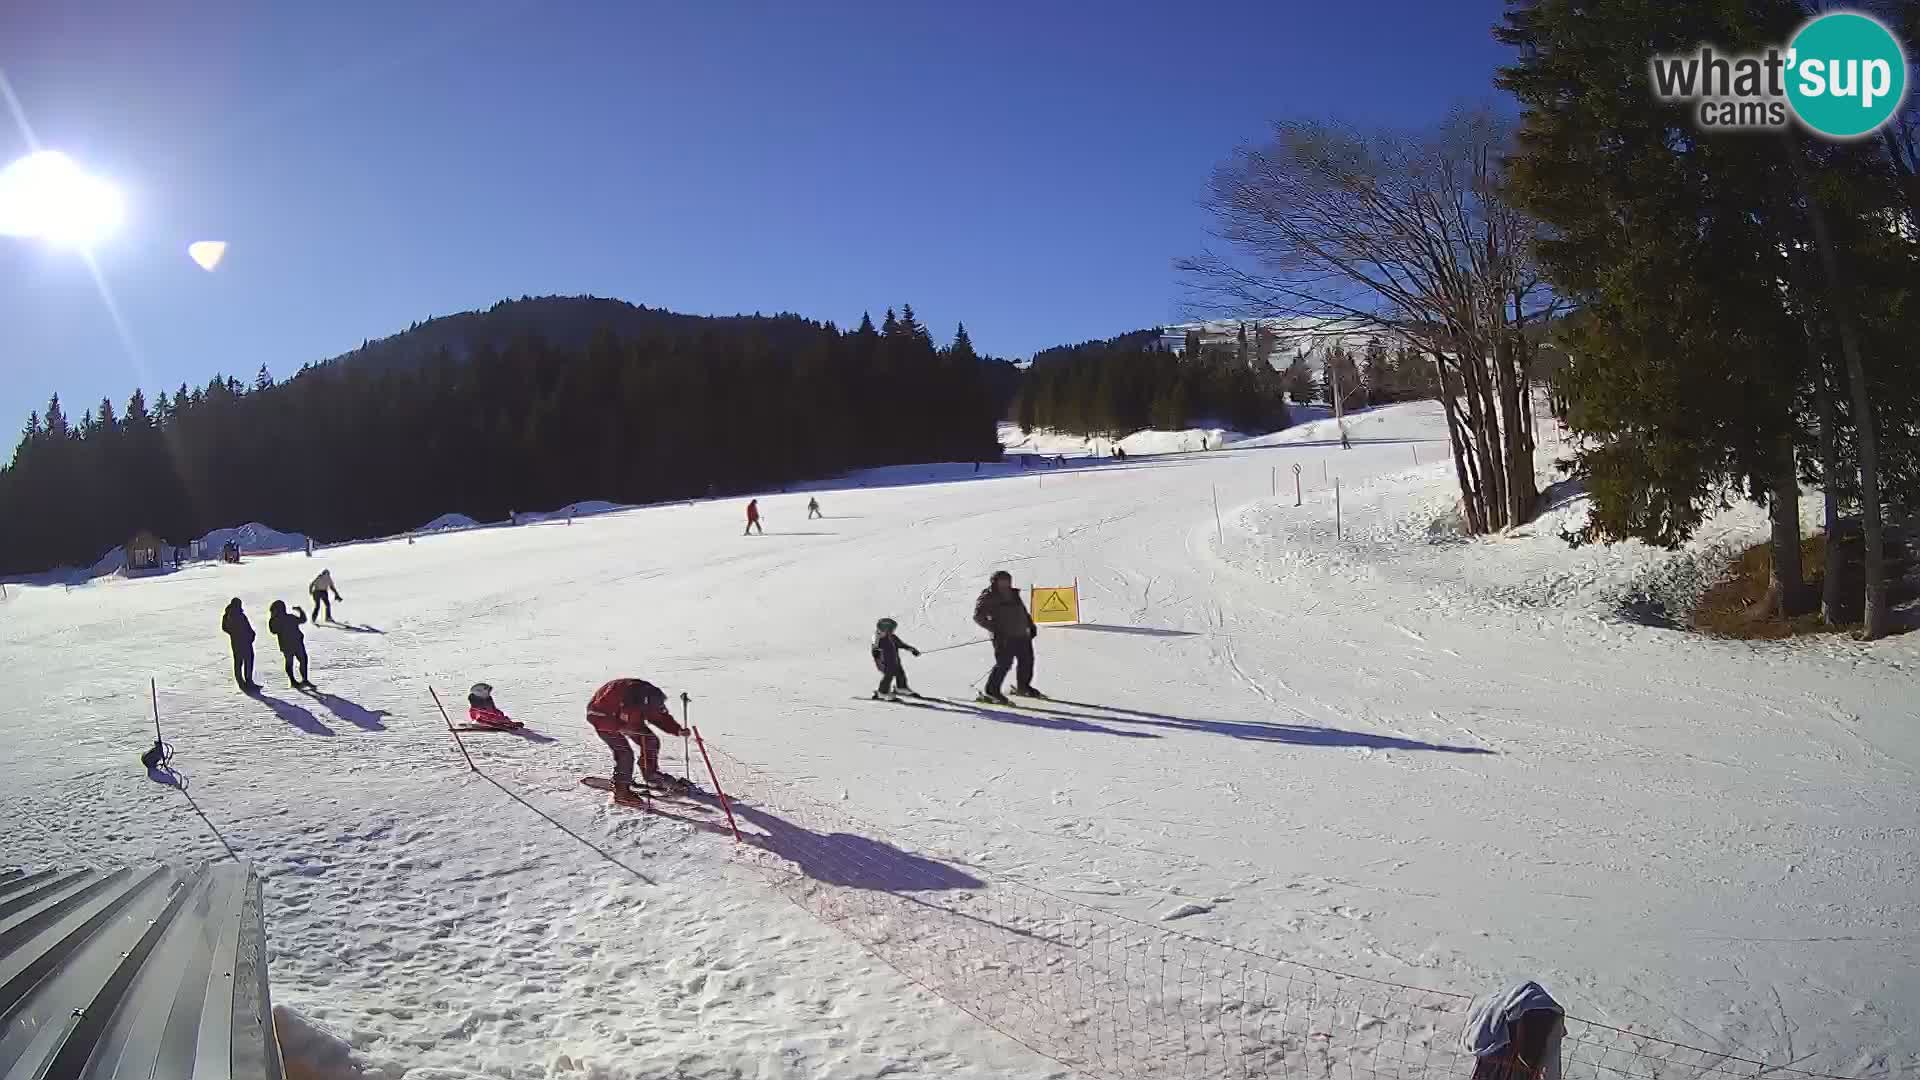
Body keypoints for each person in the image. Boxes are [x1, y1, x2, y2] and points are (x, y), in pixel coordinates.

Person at [587, 678, 690, 804]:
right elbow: (594, 714)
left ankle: (650, 774)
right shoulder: (614, 693)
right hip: (605, 720)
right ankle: (621, 792)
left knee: (650, 741)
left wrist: (677, 730)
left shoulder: (651, 695)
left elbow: (659, 716)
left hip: (631, 720)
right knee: (624, 753)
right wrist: (619, 727)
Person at [973, 570, 1041, 704]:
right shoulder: (989, 596)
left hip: (1021, 634)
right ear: (995, 582)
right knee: (1004, 663)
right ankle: (992, 690)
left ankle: (1023, 687)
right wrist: (995, 629)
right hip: (1003, 637)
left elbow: (1022, 611)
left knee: (1027, 661)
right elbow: (978, 616)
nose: (1005, 584)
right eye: (1002, 581)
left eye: (1007, 581)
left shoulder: (1014, 594)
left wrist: (1030, 625)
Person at [870, 618, 921, 700]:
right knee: (888, 676)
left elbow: (901, 644)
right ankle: (882, 692)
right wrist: (876, 652)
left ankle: (901, 688)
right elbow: (875, 648)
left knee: (900, 673)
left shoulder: (892, 637)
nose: (893, 631)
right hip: (884, 662)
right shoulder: (877, 638)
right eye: (891, 629)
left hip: (894, 661)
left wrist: (912, 649)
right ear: (886, 628)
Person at [267, 600, 312, 689]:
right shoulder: (289, 617)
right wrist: (300, 611)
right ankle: (302, 680)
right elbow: (302, 620)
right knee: (302, 660)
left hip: (287, 645)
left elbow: (273, 631)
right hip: (295, 643)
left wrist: (272, 618)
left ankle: (295, 681)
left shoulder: (275, 620)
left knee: (291, 662)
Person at [222, 598, 260, 693]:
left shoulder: (227, 615)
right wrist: (250, 635)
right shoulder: (237, 615)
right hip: (243, 642)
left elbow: (225, 628)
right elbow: (245, 627)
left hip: (237, 642)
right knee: (246, 661)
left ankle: (244, 683)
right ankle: (247, 682)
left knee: (239, 662)